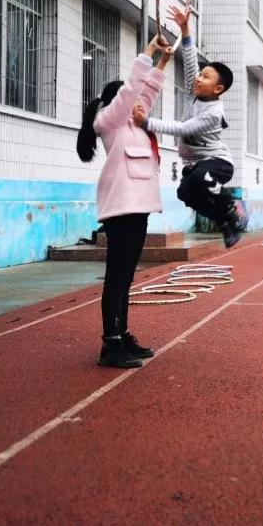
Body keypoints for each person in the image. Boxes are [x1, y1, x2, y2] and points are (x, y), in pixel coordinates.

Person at [78, 34, 172, 368]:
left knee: (126, 277)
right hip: (121, 211)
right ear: (115, 101)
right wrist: (148, 51)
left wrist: (163, 61)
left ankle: (123, 334)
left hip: (138, 209)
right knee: (117, 277)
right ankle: (110, 344)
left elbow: (147, 92)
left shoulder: (135, 124)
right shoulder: (109, 122)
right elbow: (134, 89)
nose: (137, 102)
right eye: (127, 98)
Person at [133, 6, 246, 248]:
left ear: (218, 89)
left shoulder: (214, 113)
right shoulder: (194, 93)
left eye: (206, 77)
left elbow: (184, 129)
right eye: (201, 74)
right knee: (185, 194)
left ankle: (229, 202)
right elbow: (191, 61)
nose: (198, 78)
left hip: (219, 163)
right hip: (196, 165)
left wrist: (147, 123)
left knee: (196, 180)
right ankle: (226, 223)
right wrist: (184, 29)